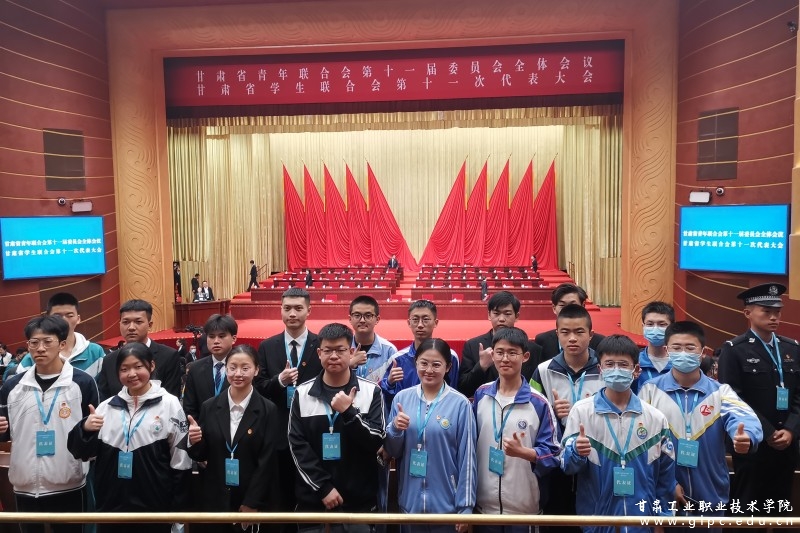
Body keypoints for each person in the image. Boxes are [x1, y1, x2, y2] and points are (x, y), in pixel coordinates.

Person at [639, 321, 762, 528]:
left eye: (690, 348)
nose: (683, 353)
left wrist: (746, 436)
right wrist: (667, 484)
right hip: (665, 495)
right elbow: (639, 440)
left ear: (703, 352)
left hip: (710, 493)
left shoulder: (720, 392)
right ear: (667, 351)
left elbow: (744, 417)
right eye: (676, 348)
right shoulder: (650, 391)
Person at [68, 342, 192, 533]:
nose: (131, 374)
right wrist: (85, 428)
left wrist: (177, 509)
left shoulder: (169, 404)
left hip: (155, 508)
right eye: (124, 369)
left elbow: (180, 461)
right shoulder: (106, 407)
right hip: (111, 507)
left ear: (151, 366)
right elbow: (81, 453)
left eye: (138, 366)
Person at [561, 335, 675, 533]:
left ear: (636, 370)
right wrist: (577, 452)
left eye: (623, 364)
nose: (615, 370)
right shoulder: (581, 412)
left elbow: (666, 477)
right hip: (596, 522)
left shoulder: (655, 418)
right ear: (600, 369)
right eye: (609, 364)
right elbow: (566, 466)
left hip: (642, 523)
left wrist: (661, 520)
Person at [0, 316, 98, 533]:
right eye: (34, 343)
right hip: (24, 484)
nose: (40, 348)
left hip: (69, 484)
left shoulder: (82, 382)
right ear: (28, 345)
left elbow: (90, 437)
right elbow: (5, 434)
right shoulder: (12, 386)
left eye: (47, 342)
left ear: (62, 344)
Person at [288, 323, 385, 532]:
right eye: (328, 350)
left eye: (340, 350)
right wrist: (323, 487)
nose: (334, 356)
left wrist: (349, 412)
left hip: (359, 504)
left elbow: (376, 441)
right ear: (319, 353)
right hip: (314, 502)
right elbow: (297, 445)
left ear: (351, 352)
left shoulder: (371, 391)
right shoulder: (302, 393)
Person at [717, 283, 800, 518]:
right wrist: (768, 431)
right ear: (748, 313)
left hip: (787, 444)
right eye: (766, 311)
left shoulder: (792, 348)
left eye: (778, 311)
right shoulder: (734, 349)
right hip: (753, 442)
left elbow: (798, 394)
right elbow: (733, 397)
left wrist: (791, 429)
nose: (774, 317)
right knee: (748, 508)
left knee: (781, 508)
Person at [385, 338, 476, 533]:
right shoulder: (402, 399)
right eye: (424, 363)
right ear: (416, 363)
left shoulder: (460, 404)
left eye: (436, 365)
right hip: (410, 507)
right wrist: (395, 429)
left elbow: (467, 459)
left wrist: (466, 506)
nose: (429, 370)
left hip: (448, 509)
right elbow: (392, 451)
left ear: (448, 367)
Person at [186, 344, 279, 533]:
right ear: (226, 369)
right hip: (215, 498)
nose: (238, 374)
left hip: (250, 497)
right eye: (233, 367)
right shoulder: (209, 406)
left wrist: (252, 502)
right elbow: (202, 454)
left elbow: (267, 460)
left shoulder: (268, 410)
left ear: (256, 370)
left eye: (245, 368)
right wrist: (194, 441)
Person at [473, 327, 560, 527]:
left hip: (525, 511)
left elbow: (555, 454)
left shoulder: (539, 403)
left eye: (512, 353)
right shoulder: (481, 395)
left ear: (525, 356)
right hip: (483, 510)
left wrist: (526, 453)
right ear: (492, 355)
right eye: (500, 352)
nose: (505, 358)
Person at [530, 304, 603, 530]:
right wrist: (551, 412)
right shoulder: (543, 370)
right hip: (556, 463)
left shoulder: (605, 370)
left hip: (596, 459)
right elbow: (531, 414)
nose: (572, 338)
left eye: (579, 332)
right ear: (557, 334)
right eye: (565, 332)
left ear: (591, 335)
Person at [255, 287, 321, 522]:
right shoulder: (267, 346)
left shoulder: (320, 344)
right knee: (281, 498)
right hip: (278, 433)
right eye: (287, 308)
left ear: (309, 311)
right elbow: (258, 387)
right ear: (280, 311)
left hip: (312, 432)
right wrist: (279, 381)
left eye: (298, 308)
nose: (292, 313)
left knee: (311, 498)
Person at [458, 291, 543, 399]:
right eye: (496, 313)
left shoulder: (533, 349)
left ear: (517, 316)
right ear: (489, 315)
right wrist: (481, 366)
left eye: (507, 314)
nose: (501, 319)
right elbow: (463, 389)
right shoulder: (473, 346)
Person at [96, 299, 183, 401]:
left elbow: (172, 398)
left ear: (150, 325)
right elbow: (105, 399)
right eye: (126, 322)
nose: (131, 327)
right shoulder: (109, 360)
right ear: (119, 324)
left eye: (138, 322)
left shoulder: (168, 356)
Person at [381, 300, 459, 409]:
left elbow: (454, 391)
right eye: (415, 319)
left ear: (435, 322)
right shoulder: (397, 359)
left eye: (425, 319)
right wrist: (390, 383)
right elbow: (388, 399)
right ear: (409, 322)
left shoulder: (450, 356)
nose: (420, 325)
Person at [16, 292, 107, 379]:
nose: (64, 320)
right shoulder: (32, 358)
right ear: (47, 317)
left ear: (78, 319)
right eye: (57, 316)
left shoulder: (95, 352)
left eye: (69, 315)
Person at [183, 314, 237, 420]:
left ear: (233, 338)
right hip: (202, 428)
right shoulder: (195, 368)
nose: (216, 341)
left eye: (221, 336)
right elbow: (189, 407)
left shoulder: (244, 368)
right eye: (211, 336)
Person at [534, 283, 605, 361]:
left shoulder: (600, 342)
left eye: (573, 305)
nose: (568, 309)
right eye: (562, 305)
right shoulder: (542, 340)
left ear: (583, 306)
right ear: (554, 308)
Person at [348, 295, 397, 383]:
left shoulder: (389, 350)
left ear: (377, 319)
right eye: (357, 315)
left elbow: (394, 385)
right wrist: (349, 366)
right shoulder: (342, 348)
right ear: (350, 319)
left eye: (368, 315)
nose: (362, 320)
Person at [634, 301, 675, 392]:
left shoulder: (680, 362)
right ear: (643, 326)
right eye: (650, 324)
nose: (655, 328)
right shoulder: (634, 362)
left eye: (662, 324)